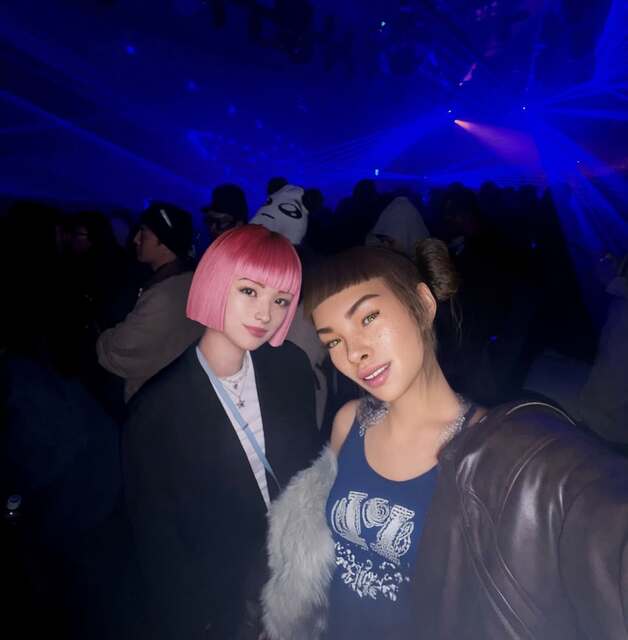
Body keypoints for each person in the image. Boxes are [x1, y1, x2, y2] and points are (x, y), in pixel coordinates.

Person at [261, 242, 628, 640]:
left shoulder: (495, 449)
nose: (354, 353)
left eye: (368, 318)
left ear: (422, 304)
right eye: (333, 341)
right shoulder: (350, 422)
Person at [123, 224, 321, 640]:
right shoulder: (156, 412)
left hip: (300, 580)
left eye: (280, 300)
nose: (265, 314)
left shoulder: (290, 366)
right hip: (225, 601)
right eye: (249, 291)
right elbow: (160, 547)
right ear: (215, 282)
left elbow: (308, 468)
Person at [96, 202, 203, 402]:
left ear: (165, 242)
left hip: (150, 399)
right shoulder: (190, 280)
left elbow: (122, 348)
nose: (136, 239)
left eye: (144, 233)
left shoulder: (164, 296)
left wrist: (101, 337)